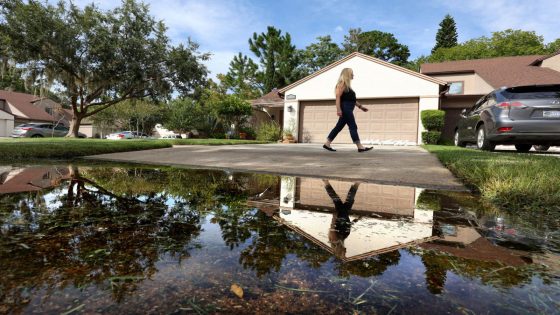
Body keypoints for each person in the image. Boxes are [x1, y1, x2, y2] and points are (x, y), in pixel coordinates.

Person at [323, 68, 373, 152]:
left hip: (348, 108)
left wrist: (360, 107)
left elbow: (352, 100)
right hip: (345, 108)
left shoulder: (347, 86)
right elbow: (338, 97)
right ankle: (360, 146)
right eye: (352, 73)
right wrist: (338, 110)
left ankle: (327, 143)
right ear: (347, 74)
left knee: (338, 127)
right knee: (353, 126)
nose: (353, 75)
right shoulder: (341, 84)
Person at [323, 179, 360, 259]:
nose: (346, 251)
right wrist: (355, 221)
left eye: (344, 253)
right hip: (345, 214)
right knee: (337, 199)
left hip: (340, 215)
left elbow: (332, 227)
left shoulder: (334, 240)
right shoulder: (343, 237)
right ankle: (326, 182)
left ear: (339, 251)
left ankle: (356, 184)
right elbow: (348, 225)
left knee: (345, 200)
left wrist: (334, 216)